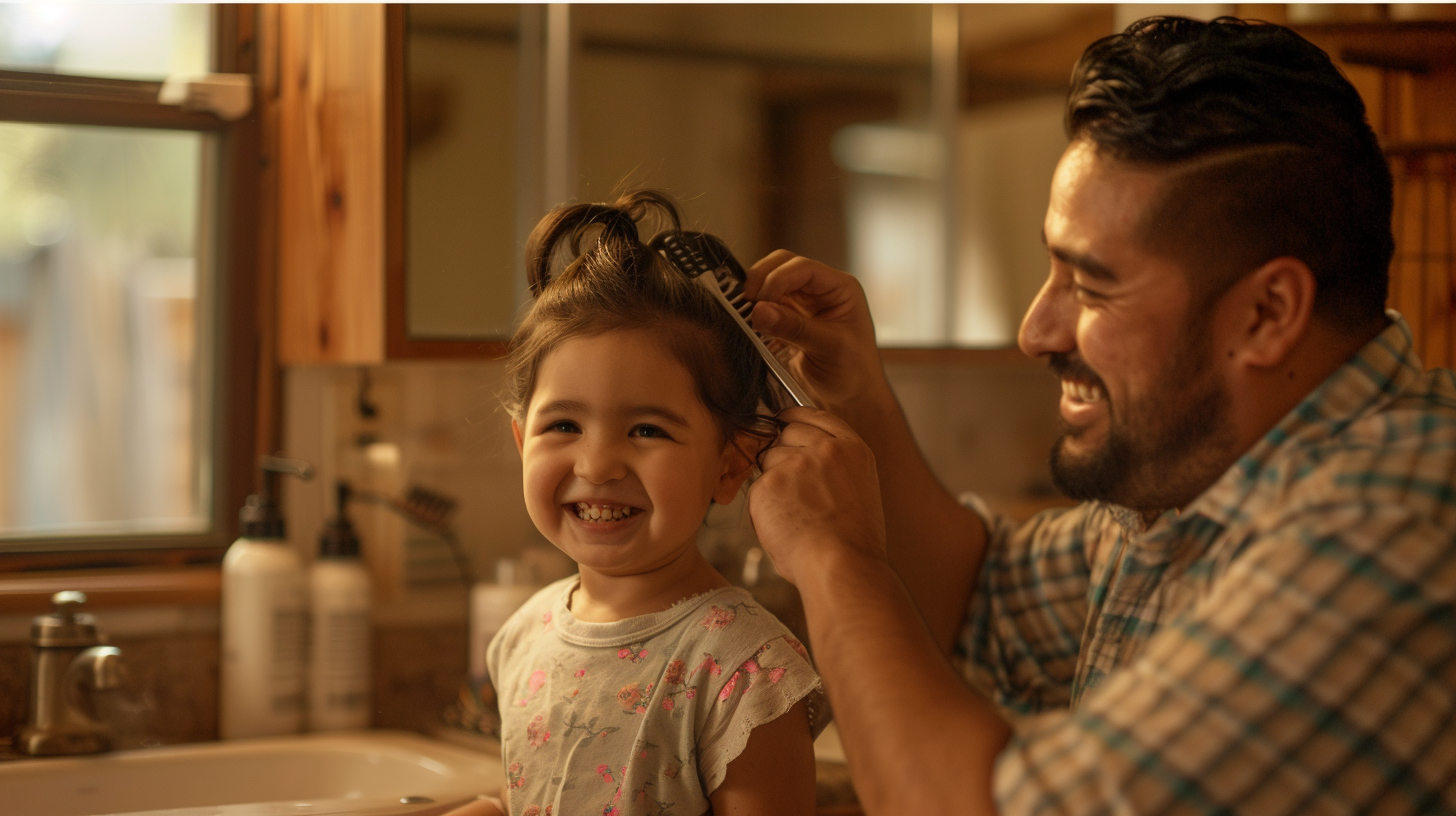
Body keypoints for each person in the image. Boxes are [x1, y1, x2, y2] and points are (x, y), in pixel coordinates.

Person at [743, 15, 1456, 815]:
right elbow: (978, 600)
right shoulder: (1205, 472)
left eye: (1091, 287)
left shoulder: (1391, 527)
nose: (1036, 331)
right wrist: (856, 397)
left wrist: (835, 558)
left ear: (1267, 313)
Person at [449, 190, 828, 816]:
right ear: (522, 443)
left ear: (730, 464)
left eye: (648, 430)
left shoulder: (744, 672)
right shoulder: (520, 639)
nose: (596, 465)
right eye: (563, 426)